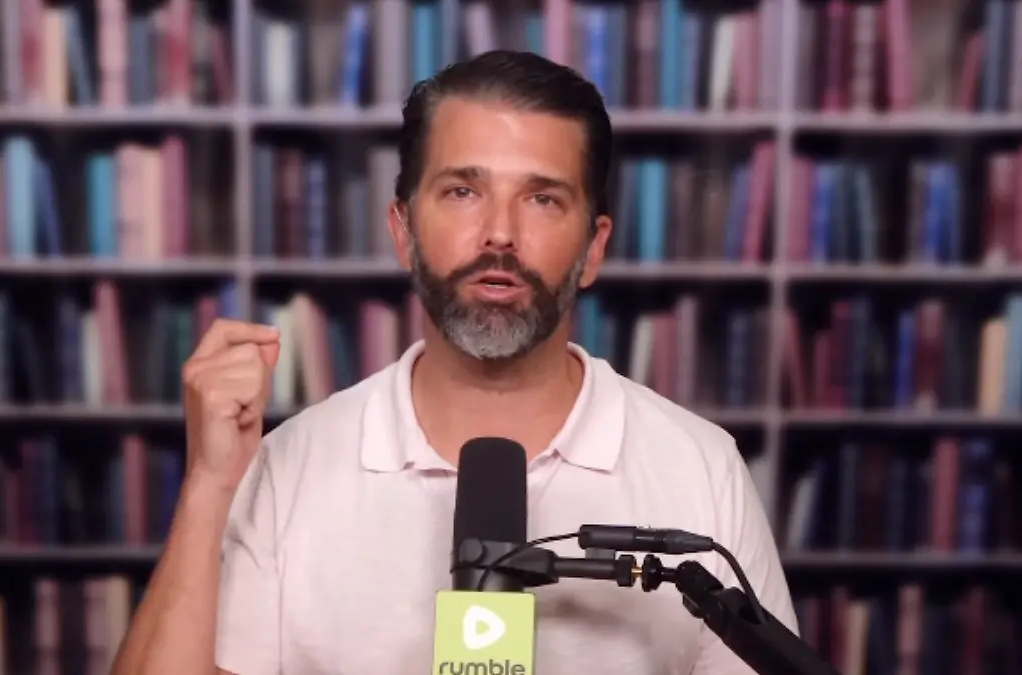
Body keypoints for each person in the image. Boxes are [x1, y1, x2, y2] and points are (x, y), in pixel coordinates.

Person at [110, 49, 798, 675]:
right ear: (404, 231)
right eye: (463, 191)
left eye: (543, 198)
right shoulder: (289, 466)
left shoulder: (700, 467)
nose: (500, 233)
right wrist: (209, 484)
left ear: (593, 249)